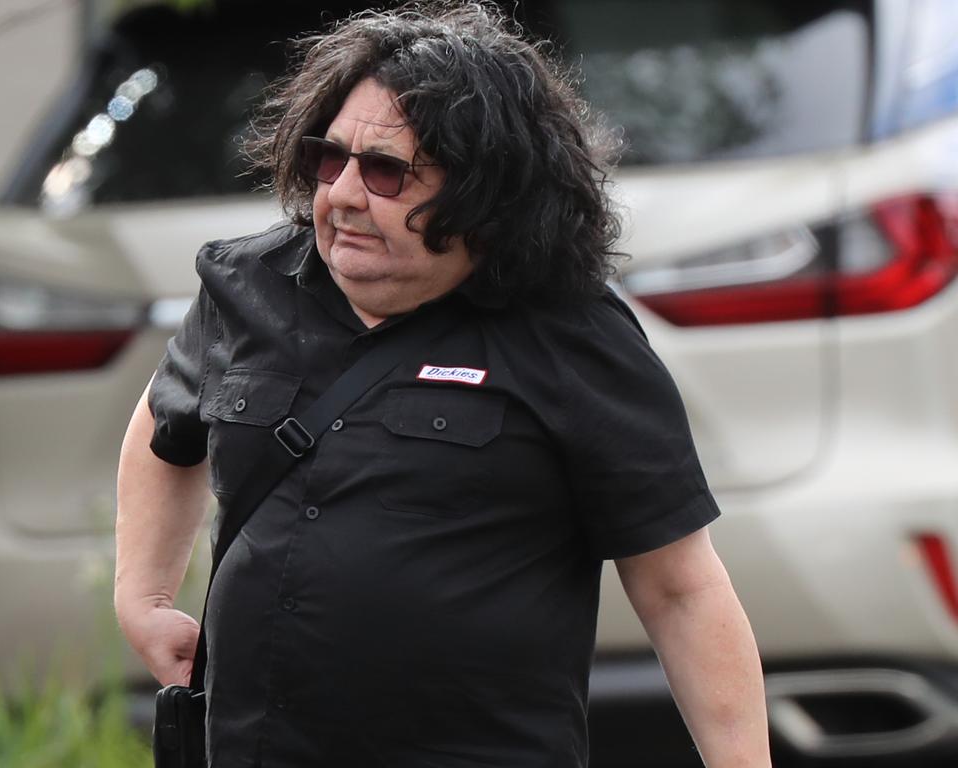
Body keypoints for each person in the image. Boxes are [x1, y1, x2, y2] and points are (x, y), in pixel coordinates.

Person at [115, 3, 772, 766]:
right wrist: (144, 597)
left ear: (485, 192)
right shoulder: (245, 285)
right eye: (332, 160)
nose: (345, 195)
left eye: (388, 171)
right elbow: (165, 424)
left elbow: (680, 588)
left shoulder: (572, 334)